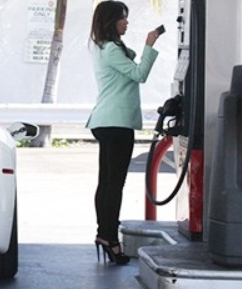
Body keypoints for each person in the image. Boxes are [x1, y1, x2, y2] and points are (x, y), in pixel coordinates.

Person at [86, 0, 160, 265]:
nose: (126, 22)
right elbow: (139, 74)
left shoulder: (105, 47)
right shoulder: (111, 51)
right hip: (116, 122)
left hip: (107, 121)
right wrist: (150, 45)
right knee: (114, 184)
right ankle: (109, 239)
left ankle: (104, 234)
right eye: (122, 18)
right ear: (110, 21)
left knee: (107, 182)